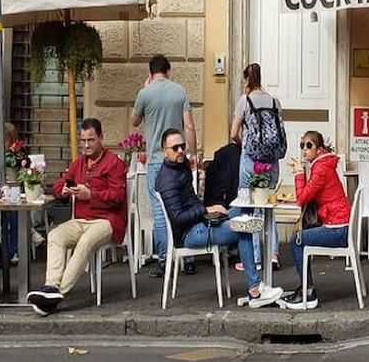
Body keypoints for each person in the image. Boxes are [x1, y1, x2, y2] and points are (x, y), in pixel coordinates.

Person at [156, 128, 283, 308]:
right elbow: (178, 217)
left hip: (202, 222)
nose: (180, 151)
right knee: (243, 228)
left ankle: (257, 227)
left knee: (243, 208)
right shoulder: (168, 179)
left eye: (182, 146)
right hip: (190, 234)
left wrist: (208, 211)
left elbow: (190, 202)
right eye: (174, 148)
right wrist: (206, 209)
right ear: (164, 151)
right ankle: (255, 290)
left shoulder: (179, 167)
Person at [26, 119, 127, 316]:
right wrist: (63, 190)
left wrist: (92, 195)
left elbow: (118, 197)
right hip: (81, 220)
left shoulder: (114, 163)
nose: (87, 145)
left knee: (85, 241)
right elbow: (59, 184)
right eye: (84, 141)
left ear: (101, 139)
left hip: (107, 221)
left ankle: (57, 293)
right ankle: (50, 286)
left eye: (91, 140)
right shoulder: (79, 162)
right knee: (55, 236)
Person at [131, 54, 197, 278]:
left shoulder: (145, 93)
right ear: (168, 70)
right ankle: (188, 259)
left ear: (151, 73)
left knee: (160, 213)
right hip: (179, 157)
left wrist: (144, 88)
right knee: (187, 205)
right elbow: (189, 125)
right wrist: (192, 153)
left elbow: (134, 120)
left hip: (157, 160)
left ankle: (164, 260)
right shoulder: (179, 91)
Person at [278, 131, 351, 310]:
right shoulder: (323, 165)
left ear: (319, 149)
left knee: (297, 239)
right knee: (300, 237)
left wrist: (298, 174)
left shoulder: (321, 169)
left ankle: (307, 292)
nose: (304, 149)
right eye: (302, 145)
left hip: (337, 229)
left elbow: (302, 198)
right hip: (338, 225)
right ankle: (305, 288)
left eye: (309, 145)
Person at [229, 63, 285, 271]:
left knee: (250, 208)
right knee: (269, 207)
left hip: (251, 161)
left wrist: (244, 142)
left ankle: (254, 258)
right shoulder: (274, 101)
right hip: (271, 162)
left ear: (246, 80)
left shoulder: (245, 101)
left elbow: (233, 132)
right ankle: (273, 254)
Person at [0, 122, 23, 266]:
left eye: (4, 139)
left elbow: (22, 171)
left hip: (15, 188)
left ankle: (13, 249)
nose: (0, 142)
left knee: (13, 215)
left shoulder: (19, 154)